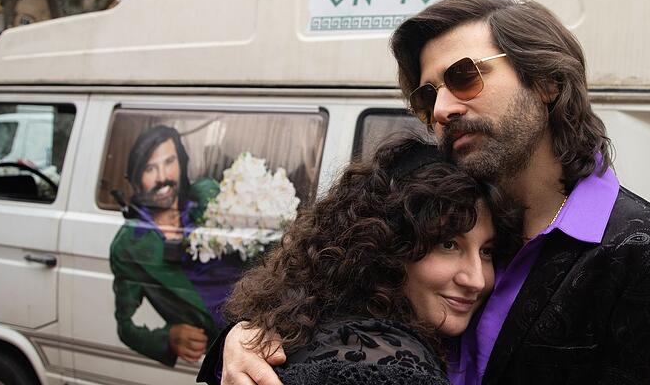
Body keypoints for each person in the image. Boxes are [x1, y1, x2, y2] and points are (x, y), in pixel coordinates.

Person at [215, 0, 650, 384]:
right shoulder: (447, 213)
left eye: (463, 77)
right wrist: (240, 342)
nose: (441, 110)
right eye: (427, 95)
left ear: (547, 82)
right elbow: (323, 286)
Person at [199, 135, 518, 384]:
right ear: (386, 245)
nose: (477, 279)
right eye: (448, 245)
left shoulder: (307, 320)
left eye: (486, 251)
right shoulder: (383, 364)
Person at [109, 125, 229, 366]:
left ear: (181, 163)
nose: (162, 177)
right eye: (150, 168)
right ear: (136, 178)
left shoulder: (209, 196)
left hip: (260, 327)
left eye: (169, 162)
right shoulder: (129, 245)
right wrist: (169, 338)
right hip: (219, 356)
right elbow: (125, 326)